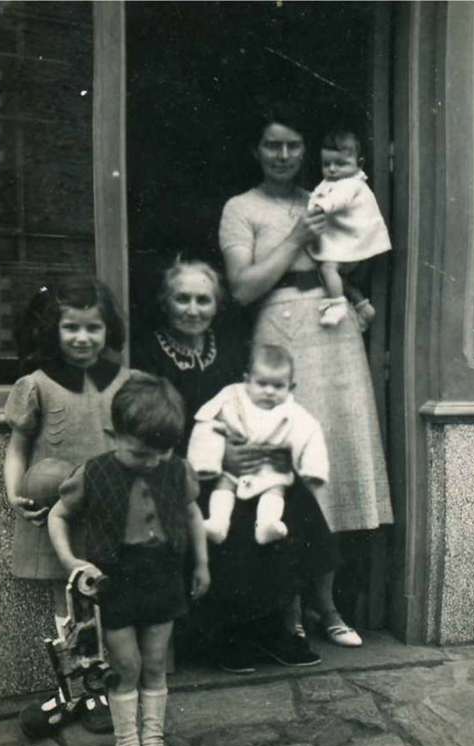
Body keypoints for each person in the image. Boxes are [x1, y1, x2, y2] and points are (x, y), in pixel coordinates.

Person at [219, 103, 394, 647]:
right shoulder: (241, 208)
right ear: (256, 150)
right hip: (280, 334)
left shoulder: (325, 192)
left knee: (331, 464)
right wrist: (297, 237)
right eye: (273, 145)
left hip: (332, 330)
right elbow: (243, 288)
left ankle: (327, 604)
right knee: (287, 462)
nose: (284, 155)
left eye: (293, 145)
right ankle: (288, 607)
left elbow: (355, 248)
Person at [132, 255, 336, 672]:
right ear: (166, 302)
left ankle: (276, 628)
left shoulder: (229, 347)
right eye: (183, 299)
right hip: (181, 465)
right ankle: (229, 635)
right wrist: (218, 454)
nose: (193, 309)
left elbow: (259, 404)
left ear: (217, 304)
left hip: (245, 460)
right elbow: (149, 422)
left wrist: (260, 448)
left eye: (203, 300)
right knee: (229, 518)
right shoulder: (148, 352)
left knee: (296, 503)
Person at [48, 373, 210, 746]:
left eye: (163, 452)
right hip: (114, 584)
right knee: (126, 667)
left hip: (163, 580)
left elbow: (192, 513)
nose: (153, 462)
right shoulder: (93, 473)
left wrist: (202, 563)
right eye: (140, 453)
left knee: (154, 663)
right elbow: (58, 515)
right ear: (113, 434)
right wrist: (70, 560)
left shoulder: (178, 472)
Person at [4, 277, 130, 737]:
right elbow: (18, 448)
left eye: (93, 327)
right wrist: (14, 494)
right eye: (71, 327)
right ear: (53, 330)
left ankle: (100, 687)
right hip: (55, 513)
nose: (82, 337)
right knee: (66, 598)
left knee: (102, 596)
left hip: (106, 512)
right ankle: (74, 685)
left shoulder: (123, 382)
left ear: (107, 329)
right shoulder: (36, 385)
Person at [188, 343, 329, 545]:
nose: (269, 391)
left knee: (276, 489)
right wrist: (207, 460)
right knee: (223, 484)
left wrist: (313, 470)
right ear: (247, 381)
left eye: (278, 386)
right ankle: (218, 523)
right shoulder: (232, 398)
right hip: (232, 470)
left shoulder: (293, 412)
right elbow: (208, 420)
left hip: (270, 470)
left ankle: (266, 526)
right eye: (261, 384)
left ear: (291, 387)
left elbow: (311, 435)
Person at [307, 129, 392, 328]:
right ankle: (363, 306)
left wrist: (320, 207)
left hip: (351, 242)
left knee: (327, 269)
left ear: (359, 164)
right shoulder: (334, 181)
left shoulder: (350, 184)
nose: (332, 169)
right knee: (337, 277)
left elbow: (337, 200)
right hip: (348, 241)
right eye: (326, 164)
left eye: (340, 163)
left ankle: (337, 305)